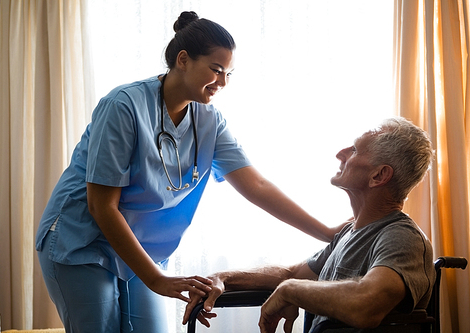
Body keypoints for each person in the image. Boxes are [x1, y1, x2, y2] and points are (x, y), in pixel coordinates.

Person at [35, 11, 341, 333]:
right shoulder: (124, 106)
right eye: (216, 70)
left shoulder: (209, 120)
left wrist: (328, 233)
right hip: (82, 240)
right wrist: (156, 278)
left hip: (141, 246)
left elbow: (257, 186)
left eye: (229, 74)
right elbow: (101, 206)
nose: (223, 82)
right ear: (183, 60)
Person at [183, 117, 437, 333]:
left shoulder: (402, 237)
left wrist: (292, 291)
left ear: (378, 176)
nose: (341, 153)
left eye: (356, 150)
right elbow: (290, 275)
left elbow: (367, 304)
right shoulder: (349, 233)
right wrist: (221, 277)